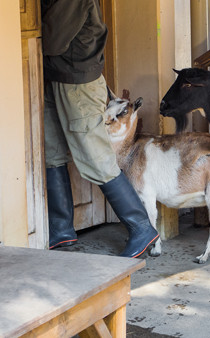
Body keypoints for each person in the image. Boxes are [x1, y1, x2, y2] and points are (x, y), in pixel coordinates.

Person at [41, 0, 159, 258]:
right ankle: (60, 231)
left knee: (95, 158)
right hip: (55, 76)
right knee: (52, 152)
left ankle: (141, 228)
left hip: (77, 83)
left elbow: (51, 41)